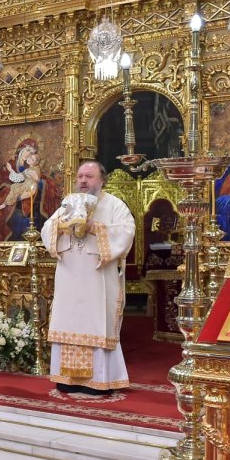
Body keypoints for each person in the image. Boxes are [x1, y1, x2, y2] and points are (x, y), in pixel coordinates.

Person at [42, 161, 136, 395]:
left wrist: (96, 227)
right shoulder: (68, 204)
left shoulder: (114, 205)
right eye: (80, 176)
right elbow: (47, 229)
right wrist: (61, 226)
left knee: (97, 323)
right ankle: (66, 379)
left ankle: (99, 381)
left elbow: (126, 232)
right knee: (68, 323)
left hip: (97, 278)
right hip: (69, 275)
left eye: (89, 176)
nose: (83, 180)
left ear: (101, 180)